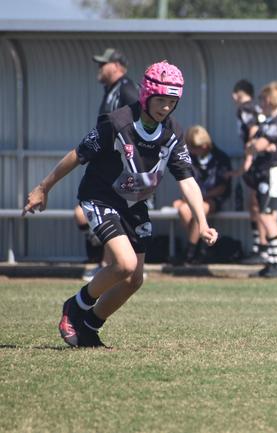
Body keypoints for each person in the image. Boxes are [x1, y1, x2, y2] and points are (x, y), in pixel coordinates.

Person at [22, 60, 218, 348]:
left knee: (134, 279)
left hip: (134, 204)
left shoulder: (173, 132)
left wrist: (202, 222)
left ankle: (89, 326)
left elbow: (187, 179)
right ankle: (75, 307)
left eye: (171, 101)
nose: (165, 107)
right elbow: (77, 154)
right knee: (124, 264)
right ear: (147, 95)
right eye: (160, 100)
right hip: (100, 198)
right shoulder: (117, 123)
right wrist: (42, 188)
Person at [76, 48, 140, 282]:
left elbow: (139, 122)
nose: (100, 68)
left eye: (104, 64)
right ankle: (105, 265)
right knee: (90, 215)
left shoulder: (127, 88)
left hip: (121, 170)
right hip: (106, 169)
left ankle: (107, 266)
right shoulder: (110, 90)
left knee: (103, 214)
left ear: (117, 66)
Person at [230, 81, 277, 278]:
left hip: (271, 173)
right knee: (267, 214)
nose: (260, 103)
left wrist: (258, 145)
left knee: (266, 215)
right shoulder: (267, 121)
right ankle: (272, 261)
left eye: (263, 99)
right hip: (263, 172)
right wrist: (256, 145)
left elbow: (258, 145)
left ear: (271, 100)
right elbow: (253, 144)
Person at [173, 125, 231, 264]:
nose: (193, 150)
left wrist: (200, 196)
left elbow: (222, 188)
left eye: (196, 147)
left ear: (205, 145)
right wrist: (186, 200)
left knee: (201, 209)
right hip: (195, 200)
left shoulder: (220, 158)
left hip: (213, 199)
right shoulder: (189, 159)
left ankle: (190, 252)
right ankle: (200, 249)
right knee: (183, 210)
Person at [230, 79, 265, 264]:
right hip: (261, 160)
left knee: (255, 204)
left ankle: (261, 247)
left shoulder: (245, 108)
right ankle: (260, 246)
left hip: (257, 161)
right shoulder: (257, 107)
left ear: (238, 93)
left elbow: (253, 129)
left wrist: (249, 157)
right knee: (256, 204)